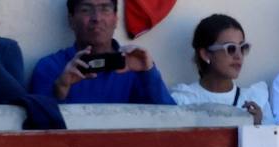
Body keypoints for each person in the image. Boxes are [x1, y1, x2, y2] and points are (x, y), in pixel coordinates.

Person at [29, 0, 175, 104]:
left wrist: (149, 73)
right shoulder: (49, 67)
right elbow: (39, 130)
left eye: (105, 9)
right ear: (71, 20)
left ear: (116, 19)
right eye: (86, 9)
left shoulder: (135, 64)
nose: (97, 18)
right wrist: (61, 88)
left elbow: (170, 122)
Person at [171, 14, 270, 125]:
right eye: (231, 48)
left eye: (242, 48)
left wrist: (258, 127)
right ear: (206, 54)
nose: (238, 56)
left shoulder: (255, 100)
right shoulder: (184, 100)